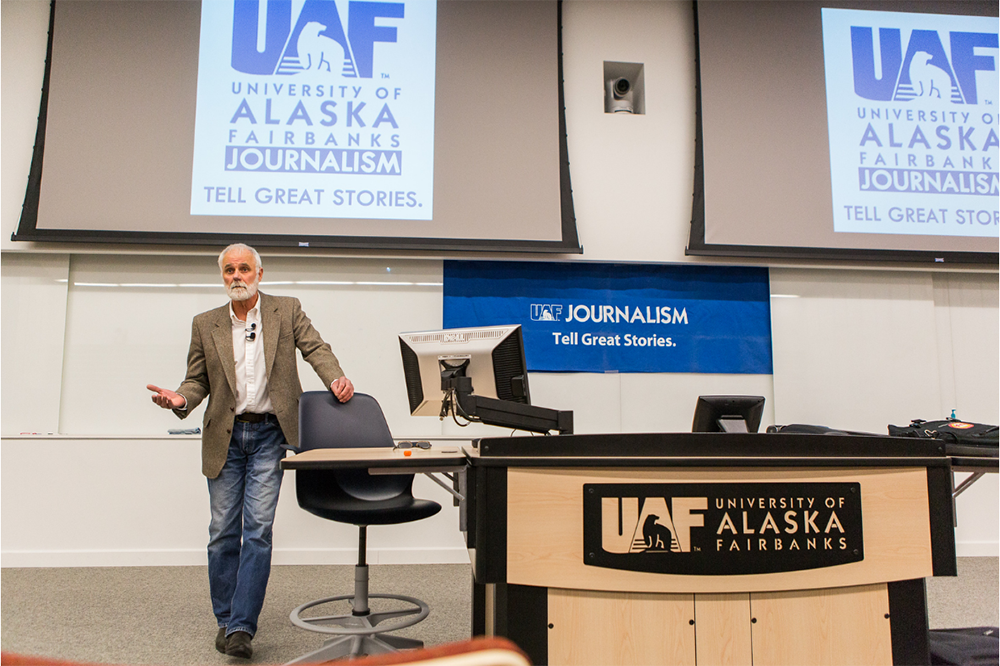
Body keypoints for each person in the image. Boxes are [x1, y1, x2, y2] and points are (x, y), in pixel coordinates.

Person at [147, 243, 353, 659]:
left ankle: (242, 626)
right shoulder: (205, 324)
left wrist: (336, 377)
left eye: (243, 269)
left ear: (260, 273)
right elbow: (197, 381)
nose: (236, 276)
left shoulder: (287, 309)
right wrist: (180, 401)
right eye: (229, 271)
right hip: (226, 435)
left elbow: (316, 348)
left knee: (257, 530)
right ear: (222, 277)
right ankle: (225, 620)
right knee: (222, 532)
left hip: (270, 435)